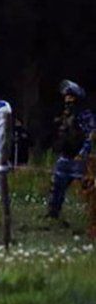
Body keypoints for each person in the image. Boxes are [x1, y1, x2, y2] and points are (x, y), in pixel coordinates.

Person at [47, 79, 96, 220]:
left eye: (70, 97)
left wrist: (83, 153)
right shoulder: (66, 115)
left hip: (79, 159)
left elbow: (91, 135)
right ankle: (53, 215)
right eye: (66, 97)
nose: (67, 100)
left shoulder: (84, 115)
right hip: (65, 156)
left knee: (88, 188)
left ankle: (92, 218)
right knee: (56, 186)